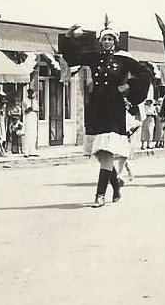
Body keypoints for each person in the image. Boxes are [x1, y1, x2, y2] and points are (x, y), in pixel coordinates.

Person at [63, 23, 152, 208]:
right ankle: (116, 185)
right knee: (100, 153)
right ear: (100, 41)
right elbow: (72, 58)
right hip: (96, 106)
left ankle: (100, 195)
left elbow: (146, 73)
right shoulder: (95, 57)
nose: (107, 42)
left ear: (115, 41)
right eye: (104, 39)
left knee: (107, 150)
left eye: (110, 39)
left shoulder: (124, 58)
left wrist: (128, 86)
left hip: (114, 107)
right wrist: (68, 37)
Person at [22, 88, 39, 157]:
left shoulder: (35, 101)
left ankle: (32, 151)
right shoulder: (25, 101)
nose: (31, 94)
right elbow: (24, 111)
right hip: (28, 116)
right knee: (28, 134)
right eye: (30, 93)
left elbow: (37, 109)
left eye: (32, 93)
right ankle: (26, 152)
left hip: (33, 116)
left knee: (33, 134)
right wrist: (28, 110)